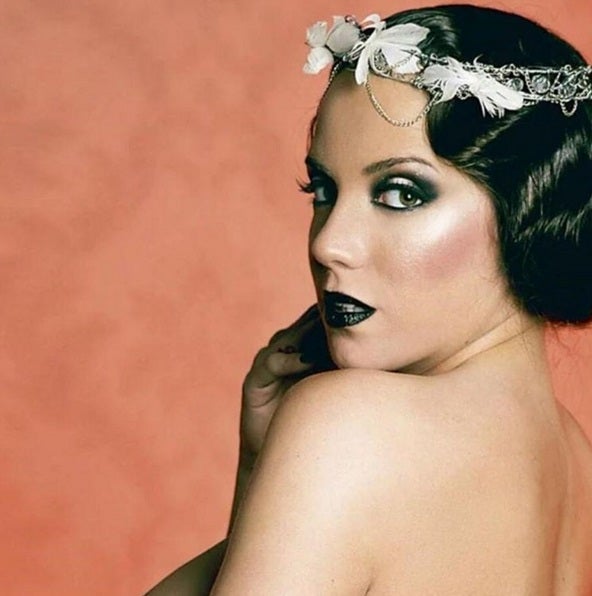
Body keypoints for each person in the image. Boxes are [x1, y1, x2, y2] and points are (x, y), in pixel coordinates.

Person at [148, 4, 592, 594]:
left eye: (402, 194)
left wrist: (298, 454)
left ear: (528, 209)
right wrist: (262, 467)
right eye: (323, 191)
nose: (328, 243)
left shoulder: (352, 430)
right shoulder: (573, 458)